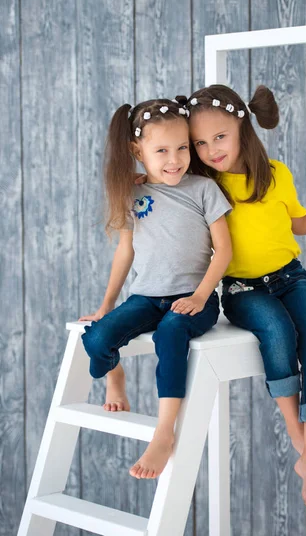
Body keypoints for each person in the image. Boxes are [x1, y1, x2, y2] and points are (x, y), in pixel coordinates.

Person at [185, 84, 306, 512]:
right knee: (278, 330)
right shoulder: (203, 184)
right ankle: (299, 437)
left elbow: (299, 223)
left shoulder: (275, 173)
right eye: (200, 142)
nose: (211, 149)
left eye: (220, 137)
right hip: (242, 288)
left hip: (290, 277)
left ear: (242, 128)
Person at [79, 97, 232, 480]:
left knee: (171, 332)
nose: (174, 159)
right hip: (146, 296)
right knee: (97, 338)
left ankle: (164, 431)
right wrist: (106, 305)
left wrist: (199, 297)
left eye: (182, 147)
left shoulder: (203, 190)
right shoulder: (133, 193)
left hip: (193, 299)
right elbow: (125, 251)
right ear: (137, 150)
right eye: (161, 150)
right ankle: (115, 376)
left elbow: (225, 250)